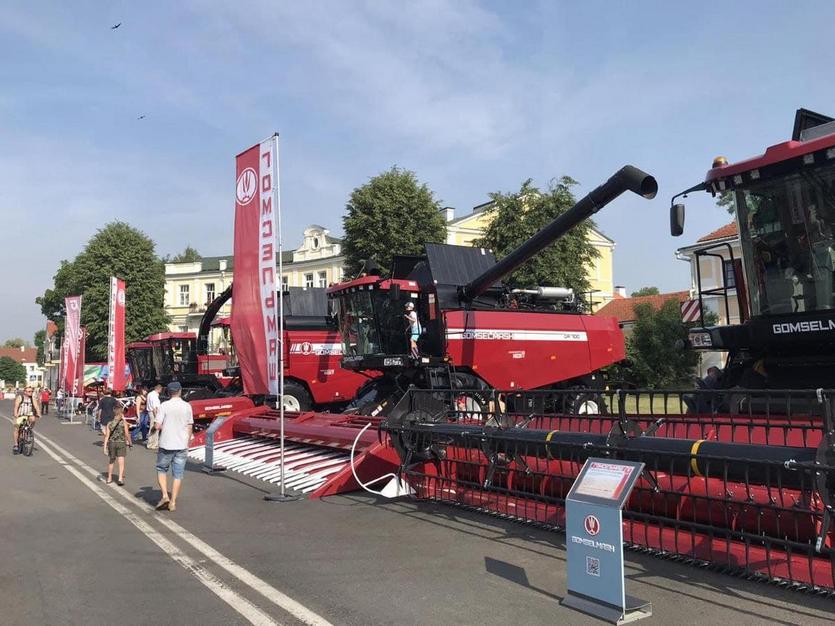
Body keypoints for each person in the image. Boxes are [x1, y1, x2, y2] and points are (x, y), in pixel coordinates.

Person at [153, 381, 193, 512]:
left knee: (161, 469)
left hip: (166, 443)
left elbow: (157, 426)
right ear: (180, 391)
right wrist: (187, 441)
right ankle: (173, 502)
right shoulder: (187, 406)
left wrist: (162, 428)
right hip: (181, 444)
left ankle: (165, 495)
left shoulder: (164, 405)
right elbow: (189, 425)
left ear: (168, 392)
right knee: (178, 474)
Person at [102, 405, 132, 485]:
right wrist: (130, 442)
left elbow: (107, 436)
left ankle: (109, 478)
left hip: (112, 443)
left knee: (111, 461)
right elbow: (127, 434)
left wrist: (105, 447)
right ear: (121, 412)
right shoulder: (123, 423)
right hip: (121, 442)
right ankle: (120, 478)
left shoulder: (110, 423)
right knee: (121, 461)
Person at [13, 386, 41, 454]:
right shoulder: (20, 397)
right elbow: (16, 407)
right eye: (29, 391)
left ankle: (29, 429)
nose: (30, 393)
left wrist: (39, 413)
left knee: (33, 419)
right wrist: (16, 415)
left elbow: (36, 406)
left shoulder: (32, 398)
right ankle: (16, 444)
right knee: (16, 428)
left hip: (28, 415)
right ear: (25, 392)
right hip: (20, 415)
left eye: (31, 391)